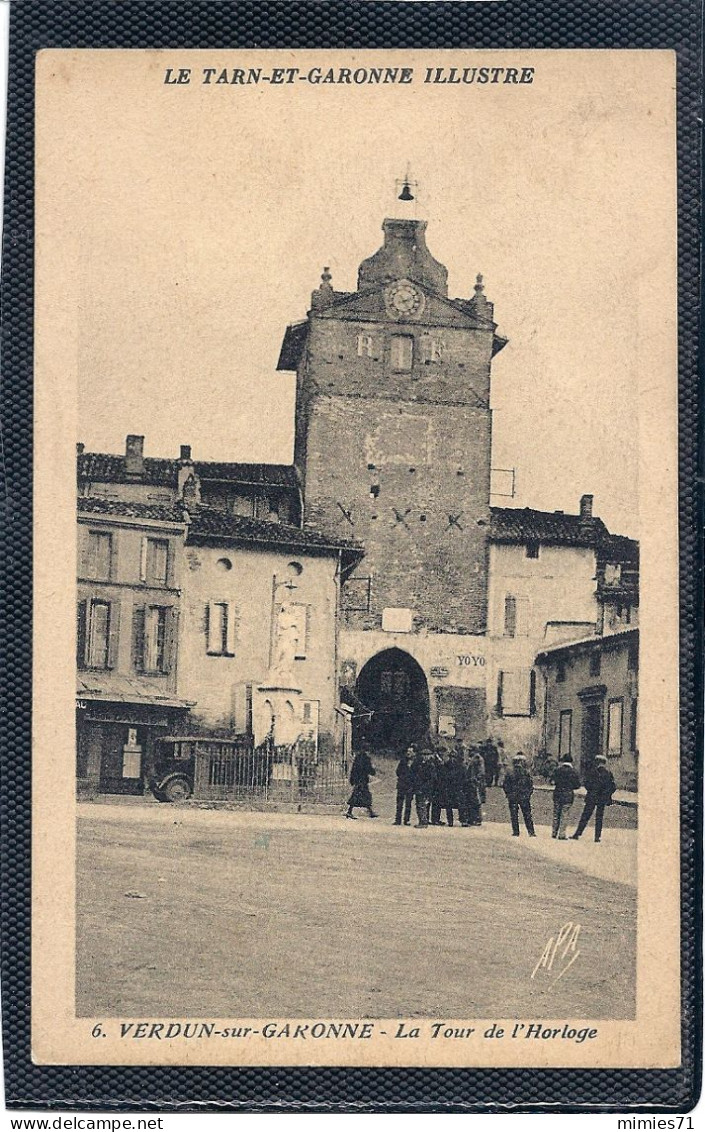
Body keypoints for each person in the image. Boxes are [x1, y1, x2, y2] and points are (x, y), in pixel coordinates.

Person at [572, 755, 616, 842]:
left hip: (592, 797)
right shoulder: (608, 774)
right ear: (604, 763)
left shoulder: (592, 772)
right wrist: (606, 794)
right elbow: (613, 787)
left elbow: (586, 783)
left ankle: (577, 833)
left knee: (585, 815)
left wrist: (591, 790)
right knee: (599, 817)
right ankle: (597, 837)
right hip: (602, 798)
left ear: (597, 762)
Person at [502, 753, 536, 837]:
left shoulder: (509, 773)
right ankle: (531, 832)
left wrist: (508, 794)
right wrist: (528, 794)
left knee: (514, 815)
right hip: (524, 796)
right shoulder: (526, 773)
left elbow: (505, 785)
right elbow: (530, 785)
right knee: (527, 815)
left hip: (513, 796)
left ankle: (516, 832)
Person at [550, 753, 581, 839]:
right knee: (565, 814)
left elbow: (552, 781)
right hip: (568, 795)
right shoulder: (574, 772)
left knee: (556, 814)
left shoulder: (557, 770)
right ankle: (562, 834)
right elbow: (577, 785)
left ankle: (554, 832)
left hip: (558, 794)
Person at [345, 746, 378, 820]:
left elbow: (353, 769)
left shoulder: (358, 757)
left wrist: (352, 779)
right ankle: (369, 812)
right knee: (363, 795)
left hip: (358, 780)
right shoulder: (366, 758)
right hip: (362, 780)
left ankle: (369, 812)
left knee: (359, 795)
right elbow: (369, 769)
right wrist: (373, 770)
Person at [411, 748, 436, 828]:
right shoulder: (420, 764)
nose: (425, 757)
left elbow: (432, 778)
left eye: (427, 755)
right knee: (419, 804)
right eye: (424, 755)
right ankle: (422, 820)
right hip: (419, 787)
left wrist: (425, 787)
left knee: (422, 804)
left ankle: (423, 822)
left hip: (426, 788)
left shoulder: (431, 765)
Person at [430, 744, 453, 826]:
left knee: (439, 803)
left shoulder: (442, 760)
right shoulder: (436, 761)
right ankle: (435, 819)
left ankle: (436, 819)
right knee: (436, 803)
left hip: (442, 784)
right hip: (437, 784)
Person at [465, 745, 486, 826]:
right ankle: (473, 818)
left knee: (476, 801)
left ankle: (477, 819)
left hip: (476, 783)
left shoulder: (477, 758)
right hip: (472, 782)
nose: (469, 752)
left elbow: (481, 772)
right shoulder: (473, 758)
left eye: (470, 750)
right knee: (472, 801)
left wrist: (476, 780)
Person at [394, 745, 415, 826]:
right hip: (402, 785)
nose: (408, 753)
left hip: (410, 786)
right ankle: (398, 820)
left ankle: (406, 820)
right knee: (399, 804)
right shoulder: (403, 761)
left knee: (408, 804)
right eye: (408, 751)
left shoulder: (416, 762)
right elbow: (398, 771)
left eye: (410, 752)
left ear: (414, 753)